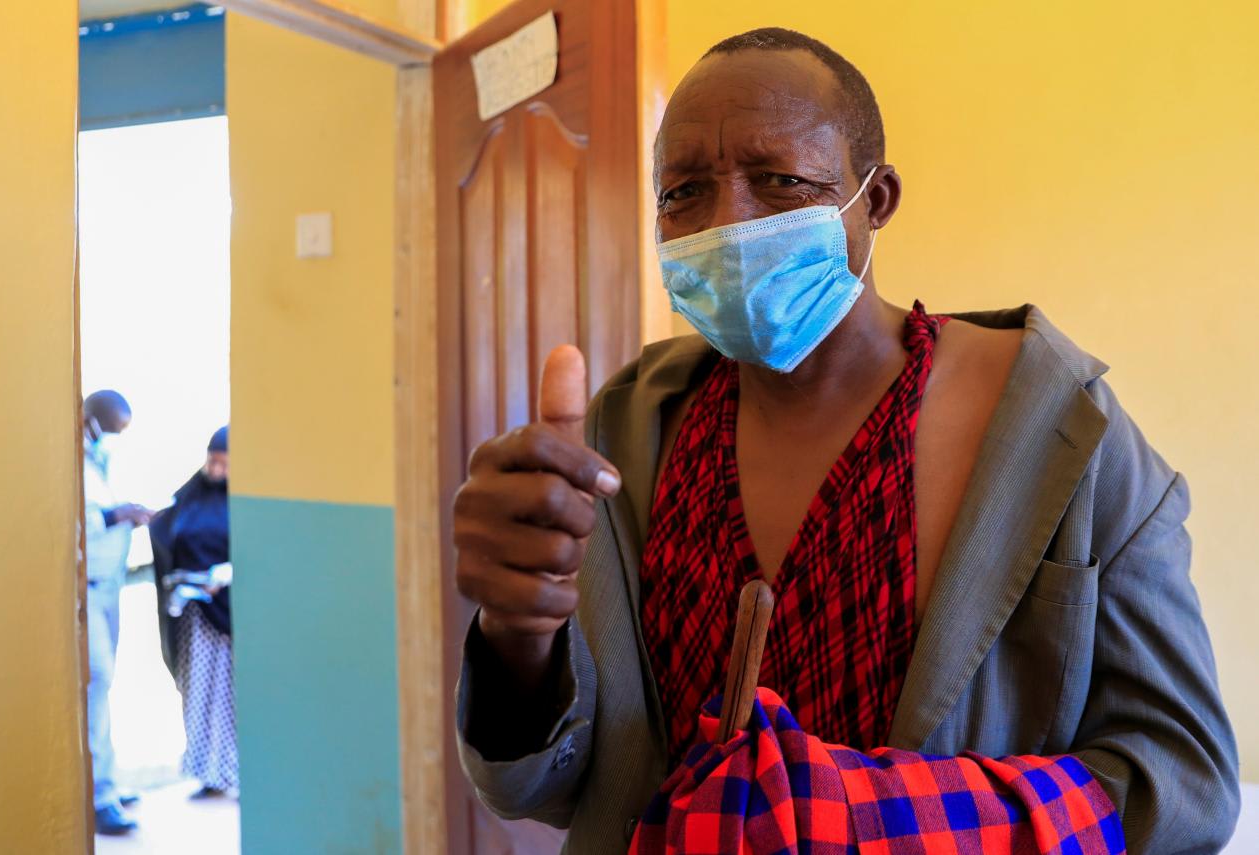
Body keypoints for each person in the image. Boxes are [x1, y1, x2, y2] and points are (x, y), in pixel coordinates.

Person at [450, 27, 1239, 854]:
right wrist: (516, 632)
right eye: (684, 191)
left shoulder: (1062, 436)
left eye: (780, 180)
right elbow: (543, 785)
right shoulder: (626, 435)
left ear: (877, 199)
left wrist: (865, 818)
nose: (728, 222)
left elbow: (1184, 785)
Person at [149, 426, 238, 798]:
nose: (215, 470)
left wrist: (229, 572)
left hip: (230, 614)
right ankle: (207, 773)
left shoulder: (243, 502)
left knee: (231, 696)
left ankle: (233, 771)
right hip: (194, 617)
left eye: (223, 464)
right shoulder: (190, 495)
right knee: (198, 695)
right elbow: (166, 529)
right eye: (211, 461)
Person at [82, 390, 153, 836]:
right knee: (96, 685)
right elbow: (76, 520)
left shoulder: (99, 462)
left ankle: (106, 780)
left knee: (104, 689)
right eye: (112, 431)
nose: (115, 439)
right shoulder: (71, 463)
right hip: (84, 591)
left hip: (109, 587)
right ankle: (99, 797)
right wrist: (116, 515)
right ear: (91, 421)